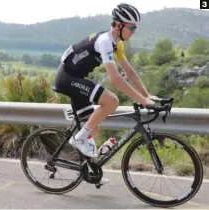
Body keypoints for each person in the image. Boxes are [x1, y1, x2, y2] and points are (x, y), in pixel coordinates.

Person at [54, 3, 160, 184]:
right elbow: (116, 79)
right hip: (67, 78)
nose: (133, 32)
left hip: (76, 77)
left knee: (93, 128)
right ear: (119, 25)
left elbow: (129, 71)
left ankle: (91, 172)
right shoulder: (104, 41)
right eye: (132, 27)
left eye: (135, 28)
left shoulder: (117, 43)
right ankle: (78, 139)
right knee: (112, 101)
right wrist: (141, 100)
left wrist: (147, 95)